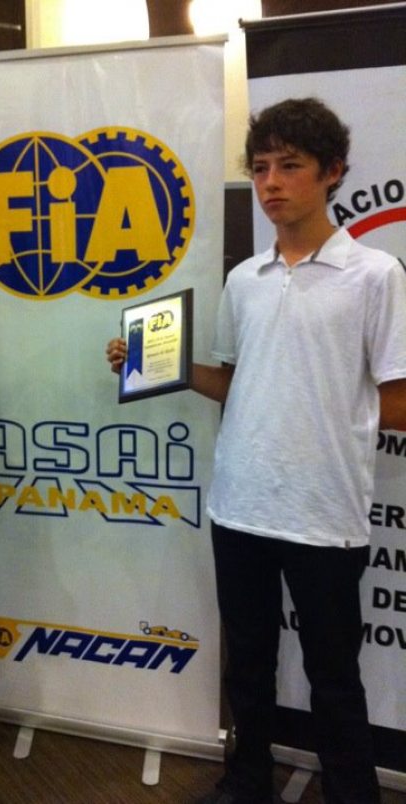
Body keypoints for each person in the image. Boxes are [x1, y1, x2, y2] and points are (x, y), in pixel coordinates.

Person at [107, 98, 406, 804]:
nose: (271, 183)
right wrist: (161, 366)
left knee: (335, 676)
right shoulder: (244, 279)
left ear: (332, 172)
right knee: (248, 664)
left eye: (290, 166)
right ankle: (247, 783)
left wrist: (325, 416)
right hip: (240, 504)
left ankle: (352, 794)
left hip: (324, 514)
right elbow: (232, 382)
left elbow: (398, 398)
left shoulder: (375, 275)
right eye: (261, 167)